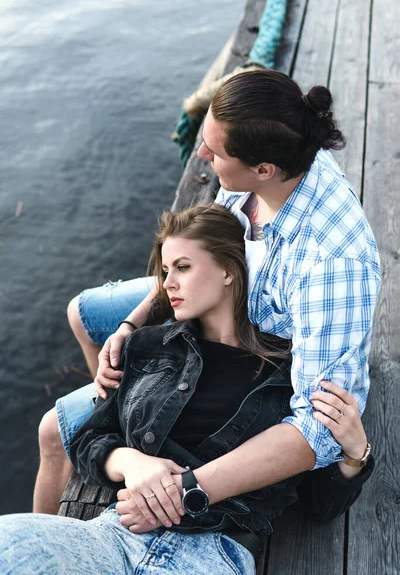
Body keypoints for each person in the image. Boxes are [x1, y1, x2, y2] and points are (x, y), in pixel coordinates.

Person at [33, 69, 380, 514]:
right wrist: (130, 328)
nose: (200, 154)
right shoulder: (272, 161)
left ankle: (105, 442)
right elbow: (202, 249)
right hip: (217, 291)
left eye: (214, 153)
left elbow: (319, 426)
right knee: (84, 315)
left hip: (241, 350)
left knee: (51, 433)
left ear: (262, 169)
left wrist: (185, 491)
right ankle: (118, 403)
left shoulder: (332, 263)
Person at [1, 205, 374, 575]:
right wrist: (133, 463)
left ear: (228, 270)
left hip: (213, 553)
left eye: (182, 267)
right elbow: (90, 438)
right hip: (116, 534)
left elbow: (319, 507)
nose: (167, 284)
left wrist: (355, 455)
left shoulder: (289, 375)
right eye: (165, 271)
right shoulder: (148, 346)